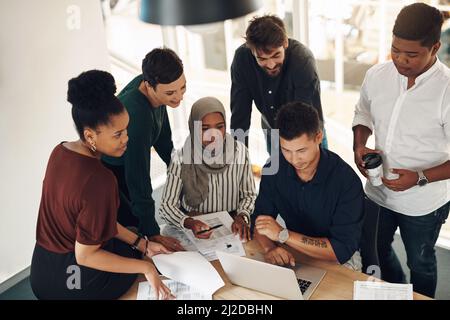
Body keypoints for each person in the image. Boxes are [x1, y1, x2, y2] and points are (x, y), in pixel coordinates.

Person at [30, 70, 173, 300]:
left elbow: (93, 219)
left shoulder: (59, 151)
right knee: (134, 257)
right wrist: (145, 266)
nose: (126, 138)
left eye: (126, 129)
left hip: (40, 271)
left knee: (134, 242)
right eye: (117, 134)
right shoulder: (100, 180)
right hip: (72, 280)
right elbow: (85, 256)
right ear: (90, 136)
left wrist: (143, 245)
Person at [352, 3, 450, 298]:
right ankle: (396, 292)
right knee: (375, 252)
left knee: (420, 262)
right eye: (395, 50)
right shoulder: (377, 75)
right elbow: (363, 114)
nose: (400, 60)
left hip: (424, 202)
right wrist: (359, 144)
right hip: (378, 192)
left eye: (411, 54)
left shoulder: (447, 90)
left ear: (435, 47)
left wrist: (419, 177)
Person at [253, 102, 363, 269]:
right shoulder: (273, 168)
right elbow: (260, 222)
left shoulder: (346, 181)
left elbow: (340, 250)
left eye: (301, 151)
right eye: (286, 150)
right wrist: (270, 248)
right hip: (293, 250)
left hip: (337, 260)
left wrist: (283, 235)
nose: (294, 160)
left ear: (319, 137)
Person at [102, 48, 186, 252]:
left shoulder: (154, 85)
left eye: (183, 88)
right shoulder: (137, 114)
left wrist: (178, 171)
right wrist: (153, 232)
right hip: (113, 174)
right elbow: (139, 179)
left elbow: (163, 135)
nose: (178, 98)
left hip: (128, 168)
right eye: (170, 93)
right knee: (132, 237)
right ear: (149, 86)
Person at [159, 97, 257, 241]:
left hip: (232, 225)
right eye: (205, 129)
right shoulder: (181, 157)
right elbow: (167, 206)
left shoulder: (240, 151)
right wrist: (189, 222)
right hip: (196, 226)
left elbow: (249, 195)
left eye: (219, 127)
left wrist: (242, 216)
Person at [230, 14, 328, 152]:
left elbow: (304, 115)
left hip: (307, 135)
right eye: (262, 59)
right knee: (278, 172)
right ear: (251, 51)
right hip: (273, 133)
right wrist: (238, 158)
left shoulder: (302, 60)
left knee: (316, 173)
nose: (270, 65)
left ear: (285, 43)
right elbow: (240, 115)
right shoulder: (242, 60)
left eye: (276, 55)